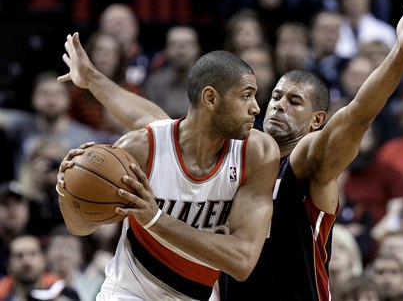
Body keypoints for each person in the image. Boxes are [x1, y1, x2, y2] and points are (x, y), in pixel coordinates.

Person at [56, 0, 403, 300]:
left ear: (317, 121)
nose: (274, 106)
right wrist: (92, 79)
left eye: (294, 102)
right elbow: (151, 119)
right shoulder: (240, 150)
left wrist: (400, 51)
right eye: (274, 96)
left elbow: (358, 114)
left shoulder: (308, 159)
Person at [57, 39, 280, 300]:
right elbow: (80, 227)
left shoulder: (257, 153)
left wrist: (155, 219)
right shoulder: (143, 148)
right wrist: (68, 187)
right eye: (246, 95)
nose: (256, 107)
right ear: (210, 98)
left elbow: (242, 262)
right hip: (129, 292)